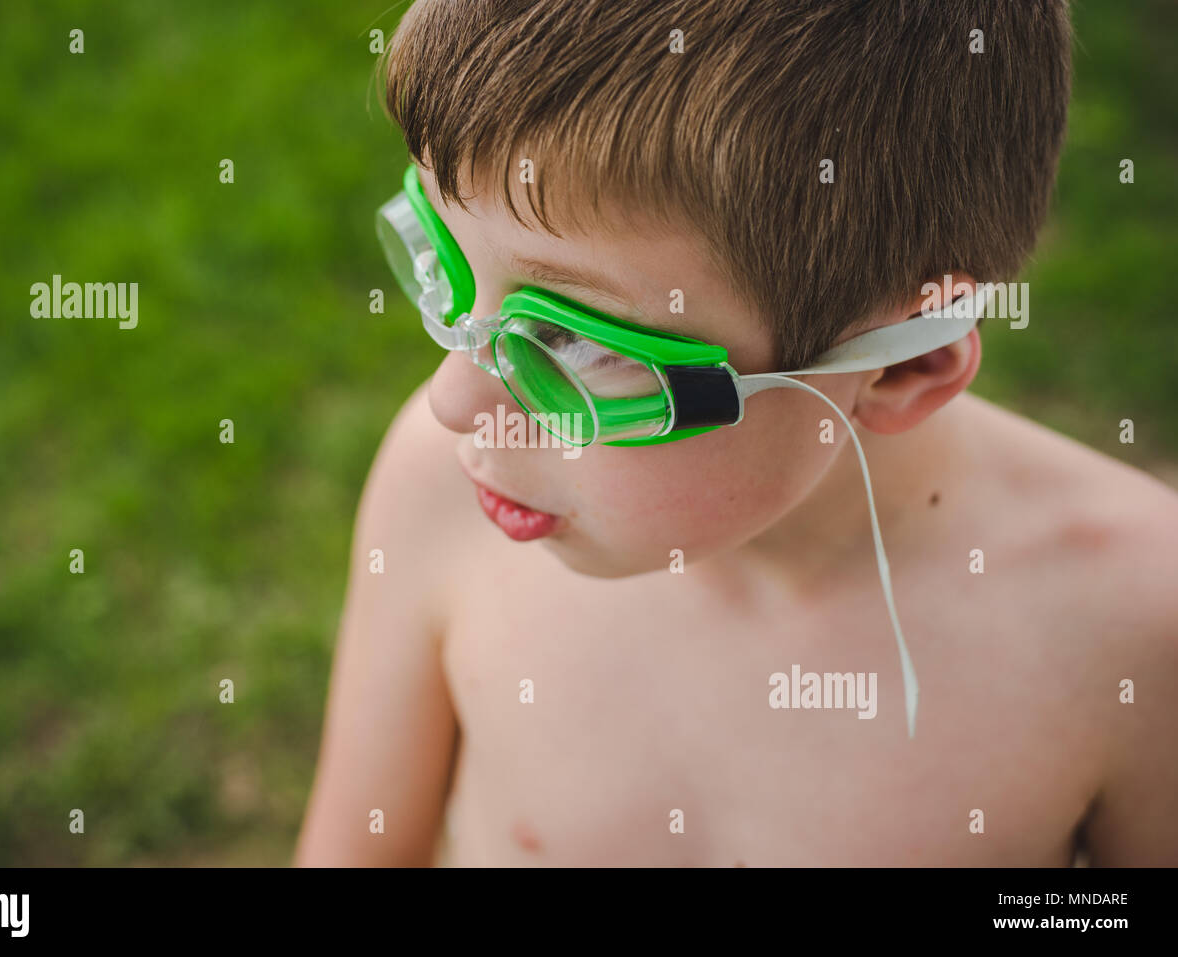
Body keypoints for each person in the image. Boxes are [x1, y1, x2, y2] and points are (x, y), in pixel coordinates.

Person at [296, 0, 1178, 866]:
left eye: (571, 339)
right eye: (441, 253)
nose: (452, 402)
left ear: (905, 364)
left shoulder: (1134, 630)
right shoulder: (440, 490)